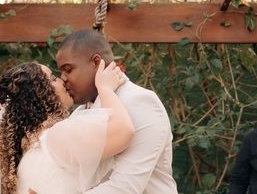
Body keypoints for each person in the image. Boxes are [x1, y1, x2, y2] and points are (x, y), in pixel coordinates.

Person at [0, 58, 134, 193]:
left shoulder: (26, 159)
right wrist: (105, 89)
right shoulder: (56, 136)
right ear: (39, 96)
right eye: (52, 78)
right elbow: (124, 131)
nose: (61, 80)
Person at [55, 29, 178, 193]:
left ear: (96, 62)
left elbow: (125, 187)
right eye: (61, 72)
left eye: (68, 69)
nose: (63, 78)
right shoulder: (79, 113)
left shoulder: (140, 102)